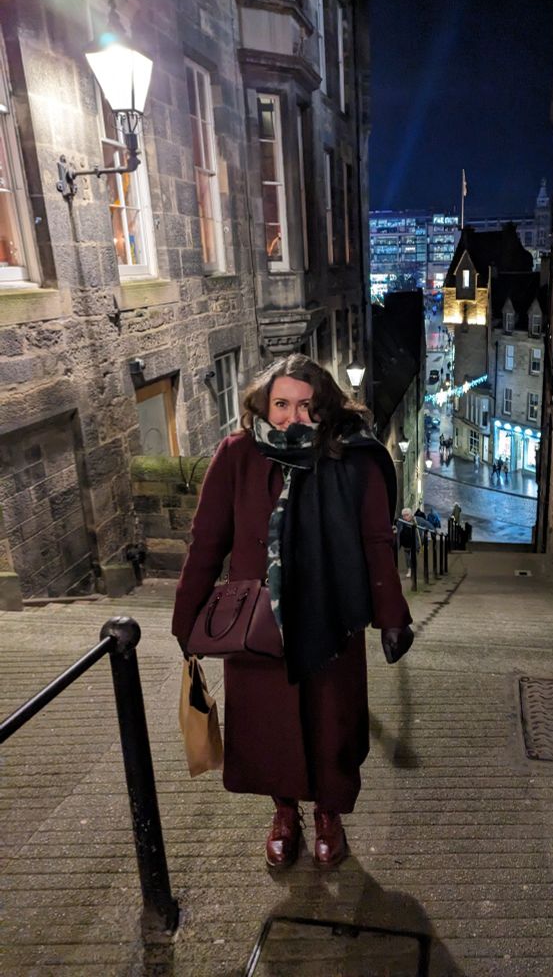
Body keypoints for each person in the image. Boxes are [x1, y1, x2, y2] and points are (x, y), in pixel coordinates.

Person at [172, 354, 413, 871]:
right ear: (264, 404)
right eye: (281, 404)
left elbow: (376, 541)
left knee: (332, 723)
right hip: (257, 620)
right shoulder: (236, 453)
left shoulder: (353, 458)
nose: (291, 416)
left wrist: (392, 615)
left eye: (306, 406)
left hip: (332, 616)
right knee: (266, 725)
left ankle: (328, 813)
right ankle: (284, 814)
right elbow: (207, 540)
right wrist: (186, 616)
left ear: (325, 409)